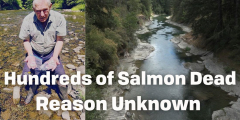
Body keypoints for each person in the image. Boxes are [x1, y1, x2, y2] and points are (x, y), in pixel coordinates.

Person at [19, 0, 68, 104]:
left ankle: (65, 98)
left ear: (50, 6)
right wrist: (31, 56)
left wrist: (55, 57)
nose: (41, 15)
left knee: (62, 79)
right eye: (38, 11)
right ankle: (31, 92)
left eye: (45, 10)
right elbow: (26, 40)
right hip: (34, 53)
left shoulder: (59, 18)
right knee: (26, 77)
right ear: (33, 9)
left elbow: (60, 40)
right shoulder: (27, 20)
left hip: (51, 53)